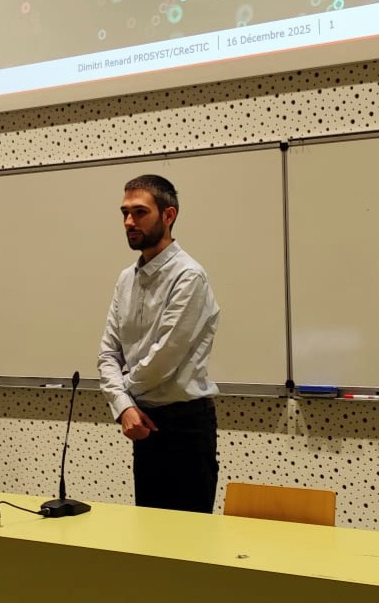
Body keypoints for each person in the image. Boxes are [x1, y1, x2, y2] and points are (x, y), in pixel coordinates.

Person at [97, 173, 221, 513]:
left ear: (168, 215)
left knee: (188, 538)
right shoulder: (126, 279)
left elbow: (163, 359)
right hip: (141, 422)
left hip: (185, 426)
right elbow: (108, 353)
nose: (129, 222)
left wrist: (122, 397)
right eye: (125, 213)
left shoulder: (188, 276)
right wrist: (124, 407)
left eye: (139, 212)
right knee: (148, 533)